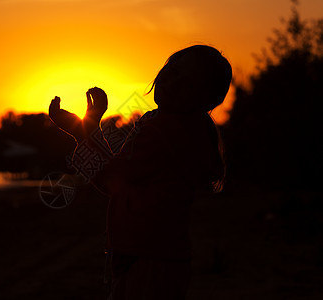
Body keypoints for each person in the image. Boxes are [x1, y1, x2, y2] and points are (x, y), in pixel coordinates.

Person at [48, 44, 232, 299]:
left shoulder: (164, 130)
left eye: (188, 82)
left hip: (147, 256)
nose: (173, 81)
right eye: (173, 70)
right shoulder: (189, 129)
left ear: (203, 98)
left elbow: (112, 178)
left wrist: (83, 130)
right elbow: (123, 173)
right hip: (165, 255)